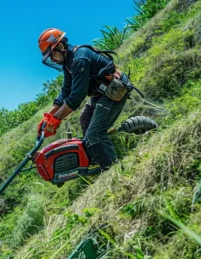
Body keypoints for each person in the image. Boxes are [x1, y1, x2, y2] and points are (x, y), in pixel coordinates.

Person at [37, 28, 132, 171]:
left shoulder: (80, 58)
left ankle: (112, 170)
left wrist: (56, 119)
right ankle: (99, 154)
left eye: (52, 55)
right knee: (85, 120)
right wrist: (48, 117)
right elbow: (65, 92)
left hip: (114, 90)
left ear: (61, 46)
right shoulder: (68, 63)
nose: (52, 60)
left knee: (95, 133)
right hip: (101, 93)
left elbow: (76, 96)